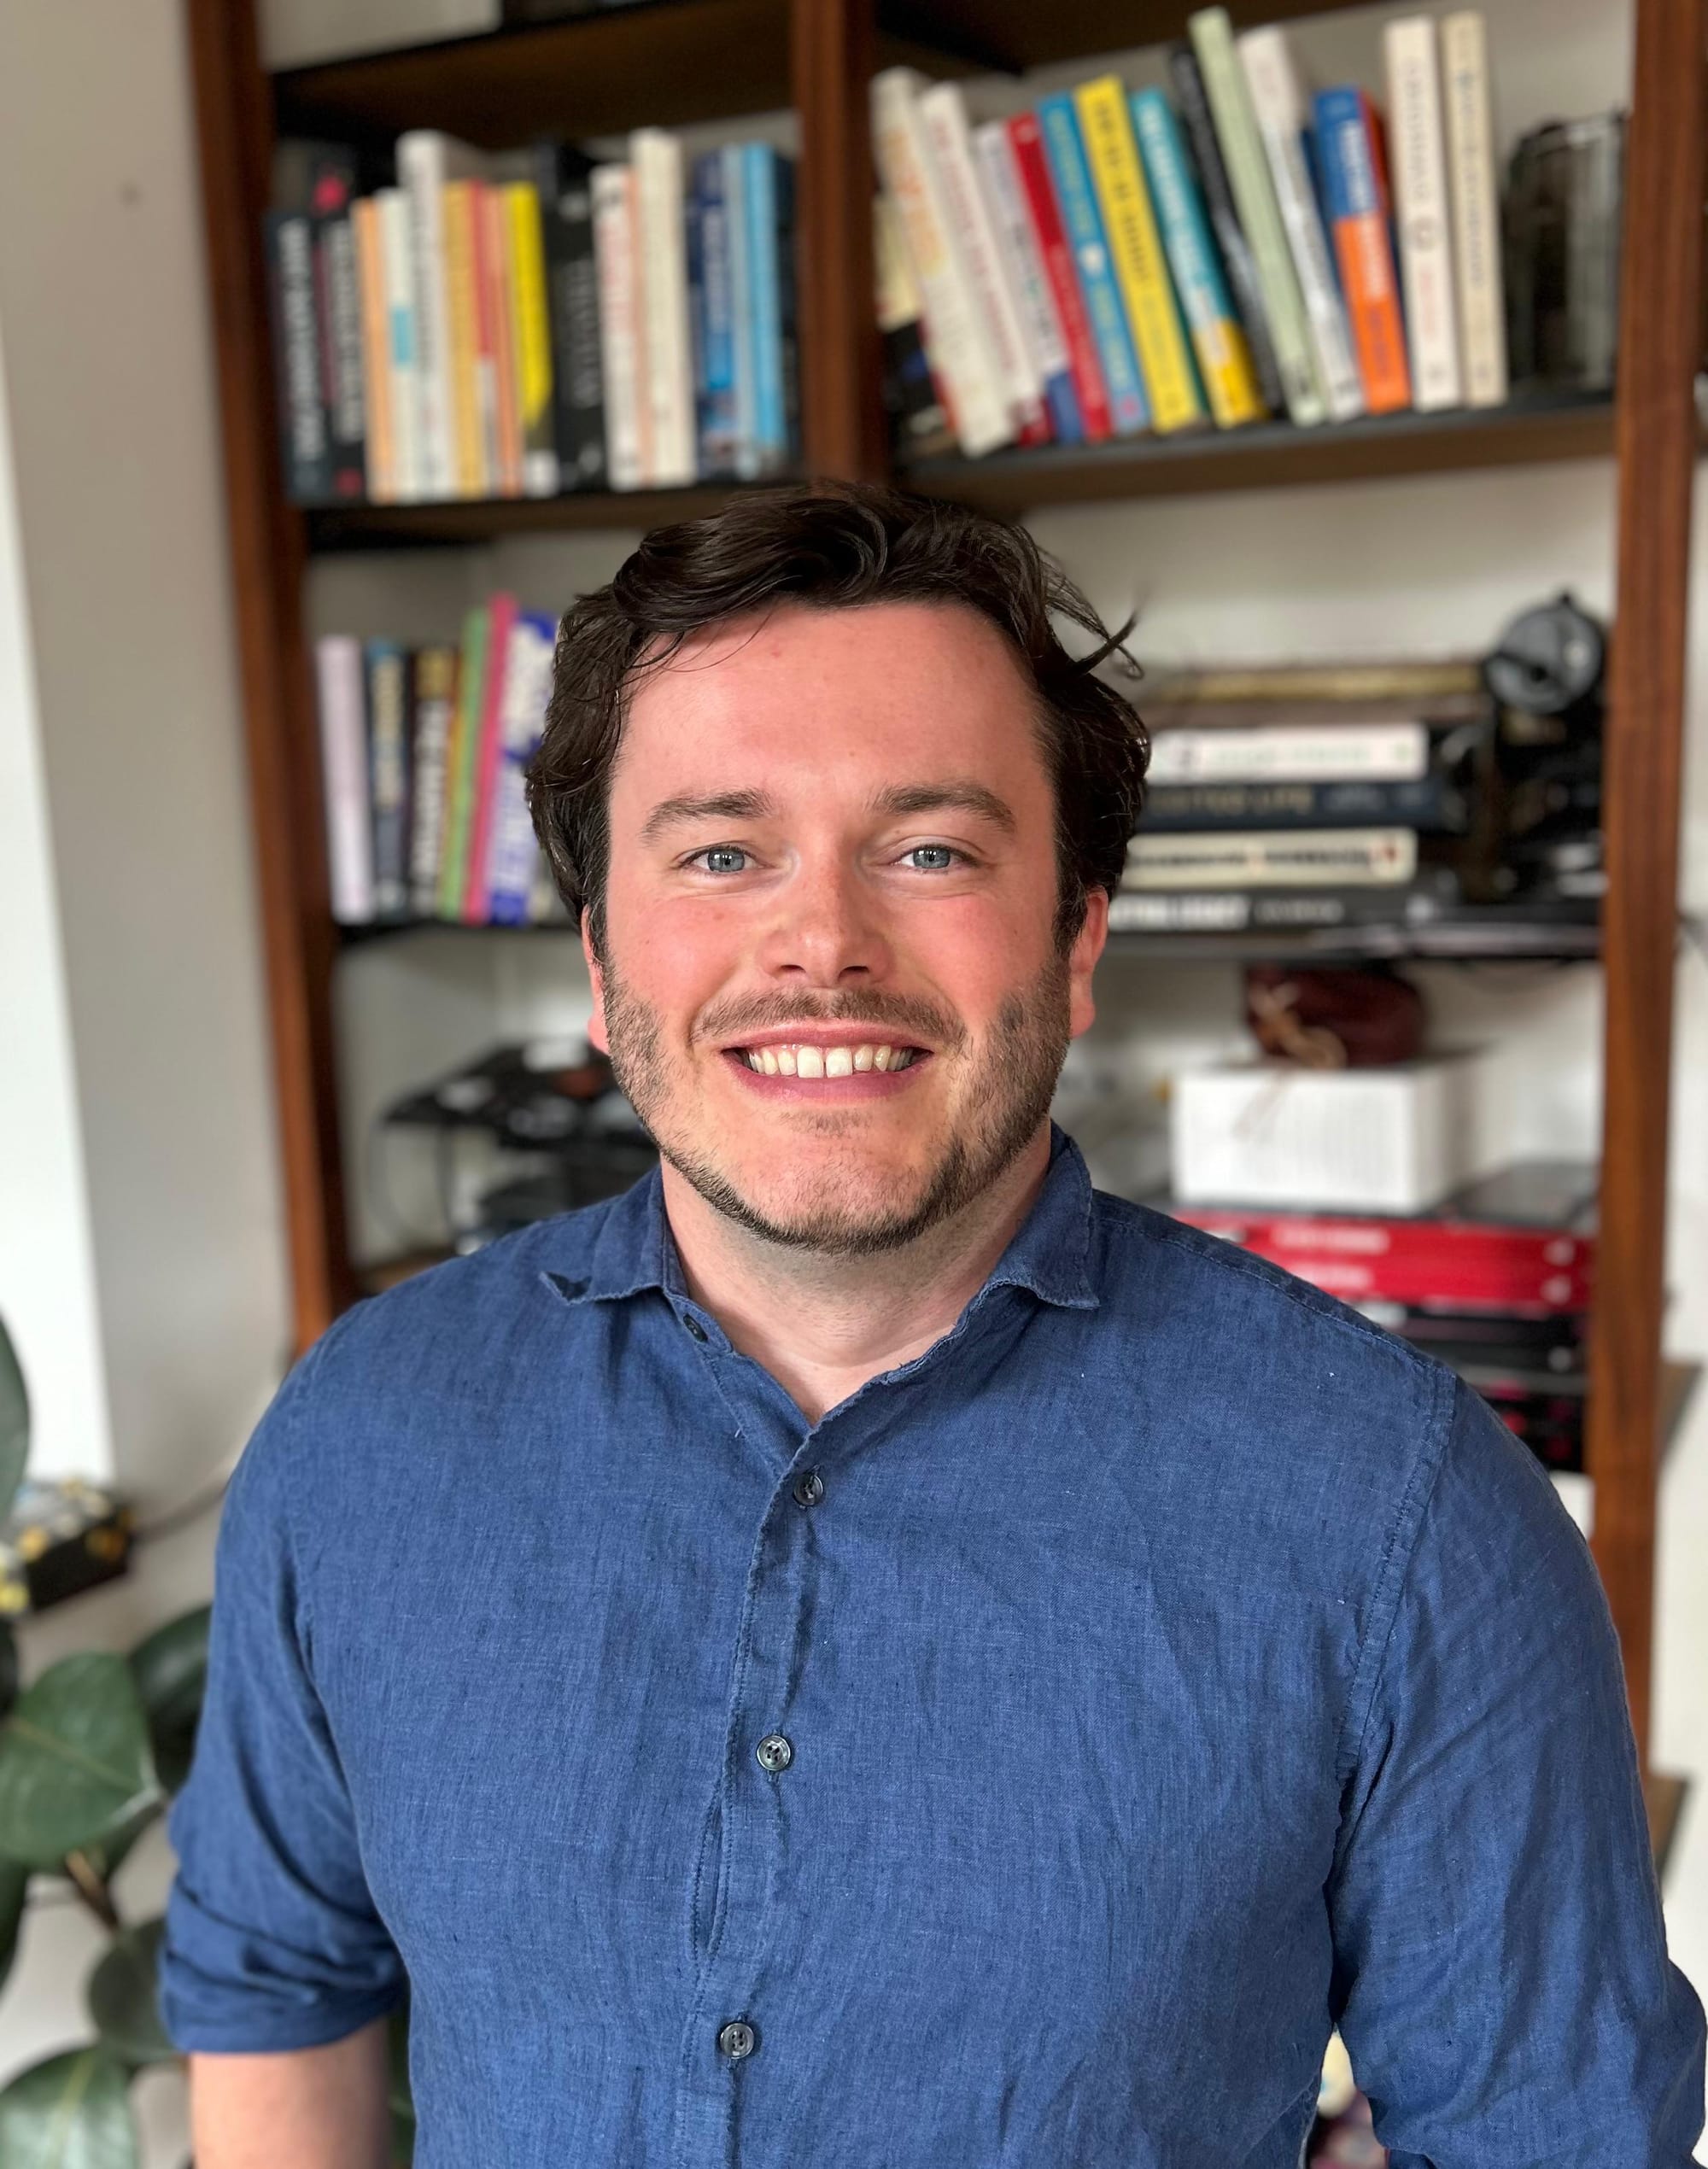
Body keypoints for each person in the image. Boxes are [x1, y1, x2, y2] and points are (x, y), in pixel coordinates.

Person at [160, 480, 1705, 2167]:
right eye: (722, 851)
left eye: (930, 850)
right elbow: (272, 1990)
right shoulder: (362, 1437)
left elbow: (1552, 2134)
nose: (820, 941)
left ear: (1076, 939)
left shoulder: (1403, 1509)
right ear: (604, 961)